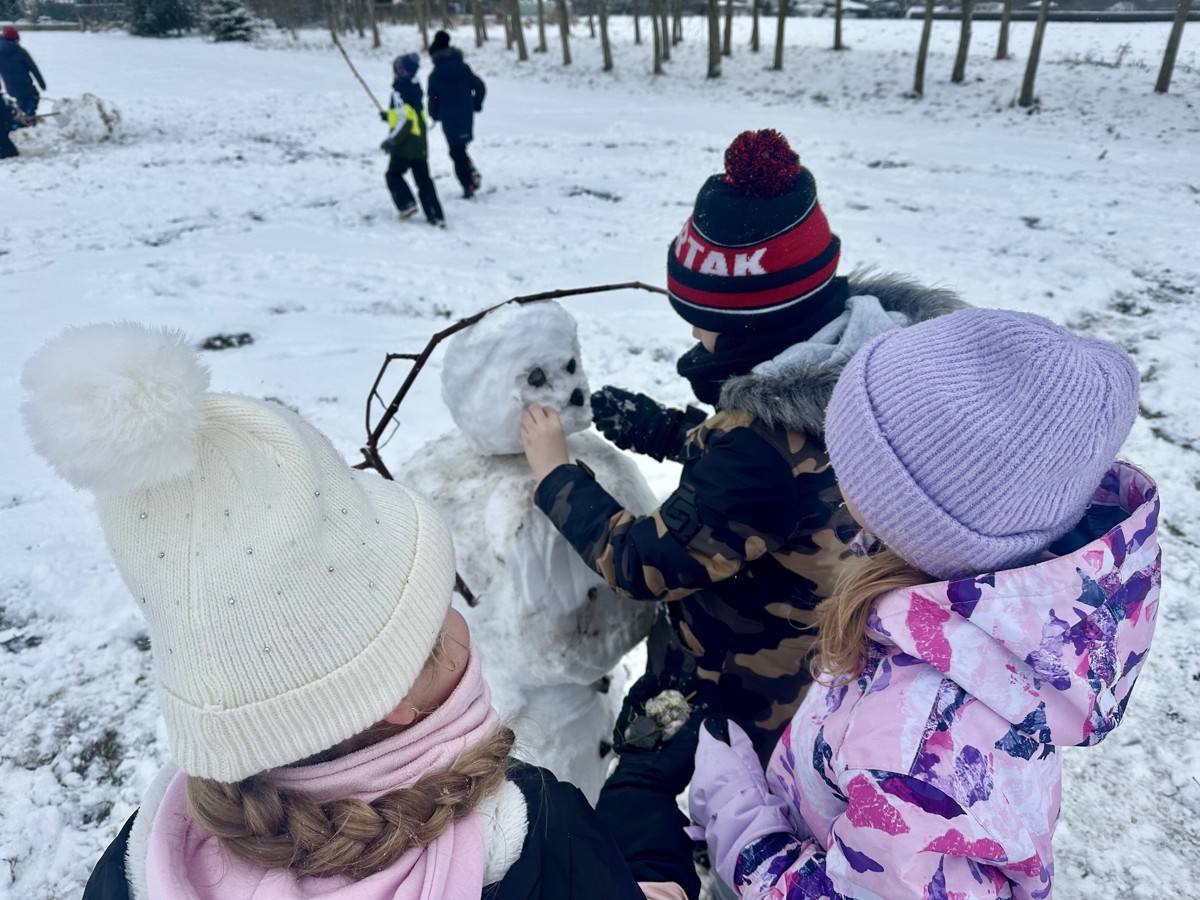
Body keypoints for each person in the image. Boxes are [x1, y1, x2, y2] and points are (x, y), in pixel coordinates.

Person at [19, 322, 680, 899]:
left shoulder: (137, 864)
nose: (463, 621)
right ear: (393, 694)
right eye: (439, 609)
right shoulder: (542, 839)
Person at [520, 128, 963, 891]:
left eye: (702, 316)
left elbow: (650, 561)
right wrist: (665, 430)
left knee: (712, 791)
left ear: (756, 321)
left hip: (753, 673)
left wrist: (557, 474)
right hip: (828, 637)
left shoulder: (758, 446)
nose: (692, 331)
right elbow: (780, 486)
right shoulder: (859, 369)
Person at [688, 308, 1160, 899]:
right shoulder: (952, 602)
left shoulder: (918, 754)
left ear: (923, 515)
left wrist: (740, 818)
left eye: (854, 460)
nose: (834, 467)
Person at [382, 53, 444, 227]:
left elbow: (405, 121)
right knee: (424, 180)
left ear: (401, 73)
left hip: (405, 145)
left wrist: (391, 140)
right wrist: (388, 116)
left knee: (392, 175)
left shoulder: (399, 92)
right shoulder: (414, 89)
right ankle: (436, 215)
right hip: (419, 142)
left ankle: (407, 204)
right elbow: (408, 115)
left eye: (395, 71)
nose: (393, 74)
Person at [427, 30, 486, 200]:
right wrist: (476, 103)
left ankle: (468, 183)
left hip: (448, 117)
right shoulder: (464, 68)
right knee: (459, 148)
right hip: (466, 113)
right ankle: (470, 173)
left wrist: (434, 114)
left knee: (456, 150)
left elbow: (433, 97)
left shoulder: (435, 75)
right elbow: (480, 86)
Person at [0, 25, 46, 118]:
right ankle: (27, 116)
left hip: (10, 86)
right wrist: (42, 84)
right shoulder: (20, 51)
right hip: (25, 84)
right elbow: (33, 68)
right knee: (34, 97)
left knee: (21, 99)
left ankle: (21, 113)